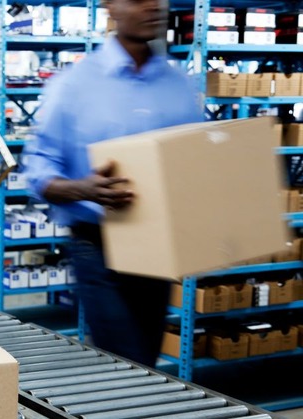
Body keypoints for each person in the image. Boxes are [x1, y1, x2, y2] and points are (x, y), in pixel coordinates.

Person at [22, 0, 202, 366]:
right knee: (124, 356)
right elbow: (37, 169)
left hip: (158, 245)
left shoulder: (179, 85)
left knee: (145, 358)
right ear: (110, 6)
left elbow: (196, 161)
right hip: (97, 245)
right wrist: (82, 189)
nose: (153, 6)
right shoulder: (74, 85)